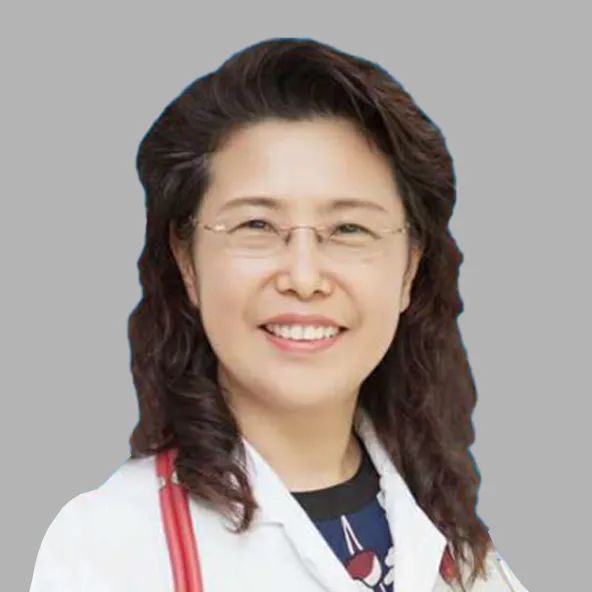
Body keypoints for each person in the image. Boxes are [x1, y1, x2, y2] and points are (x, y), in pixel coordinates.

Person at [29, 37, 530, 592]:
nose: (304, 277)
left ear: (410, 268)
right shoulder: (106, 551)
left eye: (349, 229)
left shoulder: (461, 549)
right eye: (256, 226)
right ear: (187, 262)